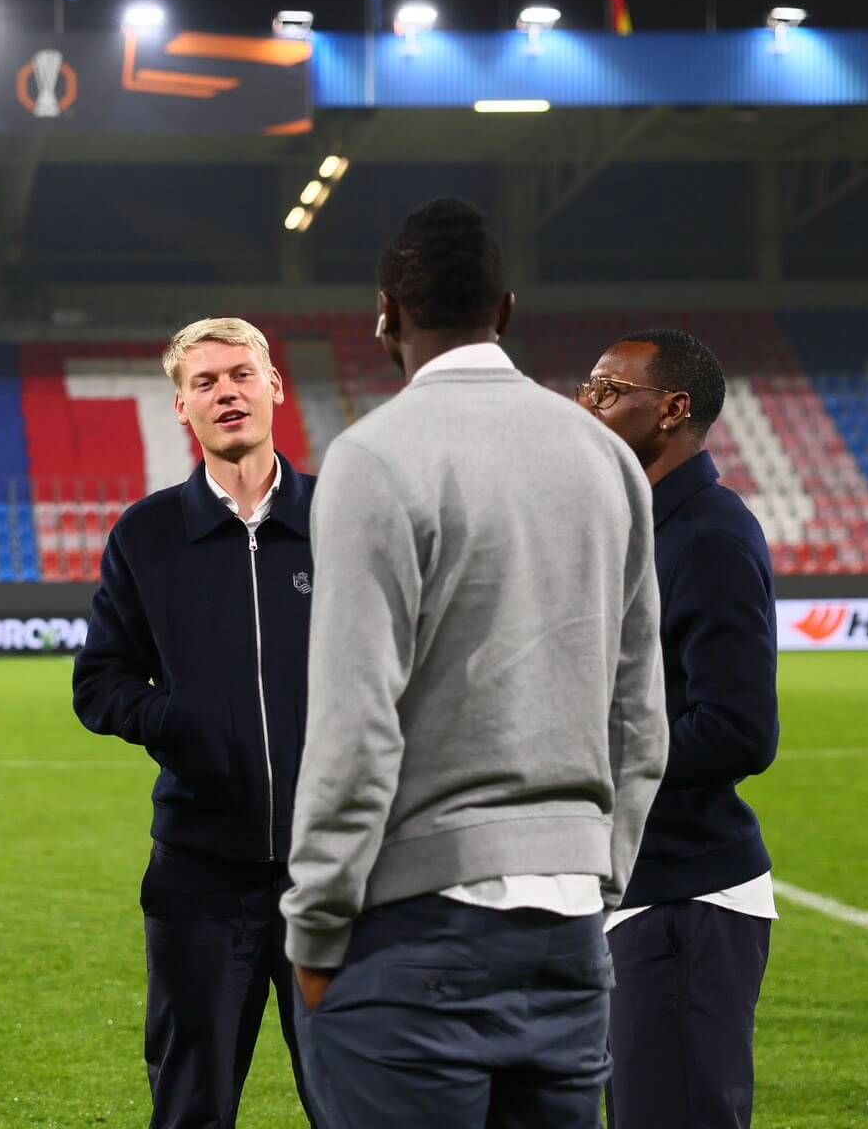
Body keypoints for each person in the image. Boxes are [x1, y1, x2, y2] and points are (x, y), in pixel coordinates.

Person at [282, 198, 668, 1129]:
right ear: (505, 309)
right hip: (572, 929)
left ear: (387, 315)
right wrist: (597, 875)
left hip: (416, 930)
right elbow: (640, 715)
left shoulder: (374, 457)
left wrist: (317, 925)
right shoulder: (605, 457)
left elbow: (355, 724)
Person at [72, 317, 320, 1129]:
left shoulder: (343, 515)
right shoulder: (147, 535)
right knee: (190, 1108)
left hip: (337, 870)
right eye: (205, 383)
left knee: (361, 1103)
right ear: (182, 409)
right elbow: (100, 683)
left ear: (275, 386)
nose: (227, 393)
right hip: (201, 879)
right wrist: (181, 720)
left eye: (241, 375)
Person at [579, 329, 778, 1129]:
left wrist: (586, 756)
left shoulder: (711, 536)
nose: (585, 404)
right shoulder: (640, 526)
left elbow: (738, 731)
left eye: (605, 390)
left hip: (686, 898)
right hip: (638, 888)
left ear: (672, 410)